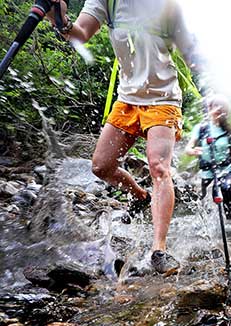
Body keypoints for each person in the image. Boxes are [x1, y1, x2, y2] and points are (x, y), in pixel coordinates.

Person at [45, 0, 203, 273]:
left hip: (163, 99)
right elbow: (80, 33)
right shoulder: (106, 1)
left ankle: (159, 250)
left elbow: (192, 56)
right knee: (101, 166)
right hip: (127, 99)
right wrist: (59, 21)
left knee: (158, 167)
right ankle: (141, 196)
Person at [184, 94, 231, 220]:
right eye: (216, 105)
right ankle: (206, 225)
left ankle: (229, 221)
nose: (219, 108)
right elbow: (188, 149)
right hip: (207, 171)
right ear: (210, 108)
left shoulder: (229, 132)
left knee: (226, 188)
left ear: (227, 111)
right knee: (204, 199)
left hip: (226, 170)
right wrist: (194, 151)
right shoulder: (201, 128)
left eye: (223, 106)